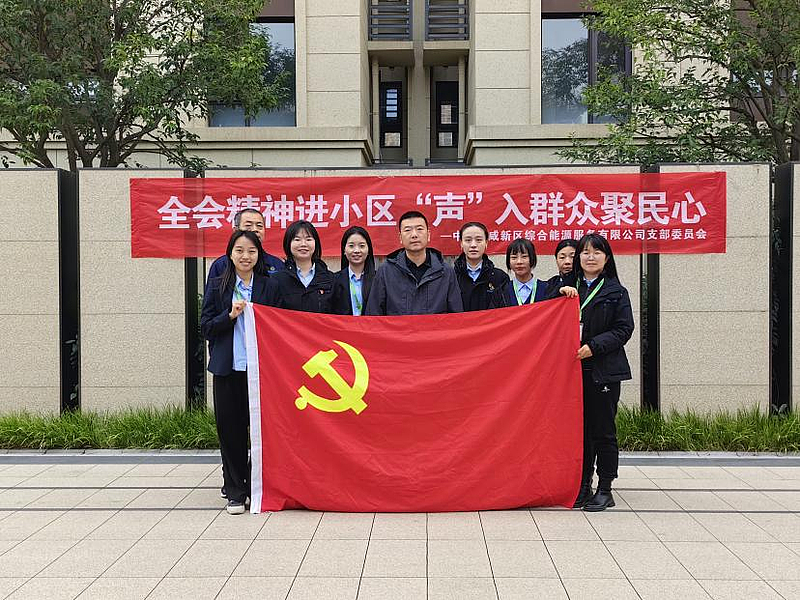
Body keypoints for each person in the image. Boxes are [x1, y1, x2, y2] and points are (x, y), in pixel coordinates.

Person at [200, 230, 282, 515]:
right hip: (228, 370)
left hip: (261, 372)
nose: (245, 256)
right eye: (239, 250)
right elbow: (206, 327)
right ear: (230, 254)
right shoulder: (218, 285)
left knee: (261, 432)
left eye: (251, 251)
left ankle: (252, 486)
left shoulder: (270, 286)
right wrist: (230, 316)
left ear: (259, 254)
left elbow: (281, 326)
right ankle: (235, 492)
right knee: (230, 432)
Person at [572, 233, 634, 512]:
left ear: (607, 258)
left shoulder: (616, 292)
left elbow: (624, 329)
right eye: (585, 252)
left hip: (603, 371)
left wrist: (594, 346)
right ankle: (583, 484)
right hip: (573, 372)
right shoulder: (567, 288)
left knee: (603, 431)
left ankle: (605, 488)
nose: (590, 257)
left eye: (597, 252)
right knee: (580, 432)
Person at [365, 211, 463, 315]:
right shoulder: (386, 271)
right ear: (400, 237)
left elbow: (456, 316)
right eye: (408, 230)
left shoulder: (445, 272)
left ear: (428, 235)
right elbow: (374, 314)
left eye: (419, 229)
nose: (414, 235)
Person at [207, 208, 284, 283]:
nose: (255, 229)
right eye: (248, 225)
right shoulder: (221, 265)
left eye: (259, 226)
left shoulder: (276, 264)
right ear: (236, 230)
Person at [273, 220, 334, 313]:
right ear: (288, 244)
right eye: (297, 239)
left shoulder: (330, 279)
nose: (303, 244)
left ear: (316, 243)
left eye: (308, 239)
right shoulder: (276, 280)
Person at [453, 222, 510, 311]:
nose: (473, 245)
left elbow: (505, 311)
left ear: (486, 243)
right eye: (468, 240)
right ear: (461, 243)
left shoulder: (500, 277)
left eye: (479, 240)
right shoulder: (451, 276)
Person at [332, 226, 376, 316]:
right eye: (351, 246)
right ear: (344, 250)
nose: (356, 250)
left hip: (370, 324)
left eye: (362, 246)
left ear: (368, 250)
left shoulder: (378, 279)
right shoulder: (334, 280)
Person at [505, 238, 549, 306]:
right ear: (509, 262)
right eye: (514, 257)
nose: (519, 262)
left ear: (532, 258)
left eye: (524, 256)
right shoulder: (501, 292)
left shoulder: (547, 289)